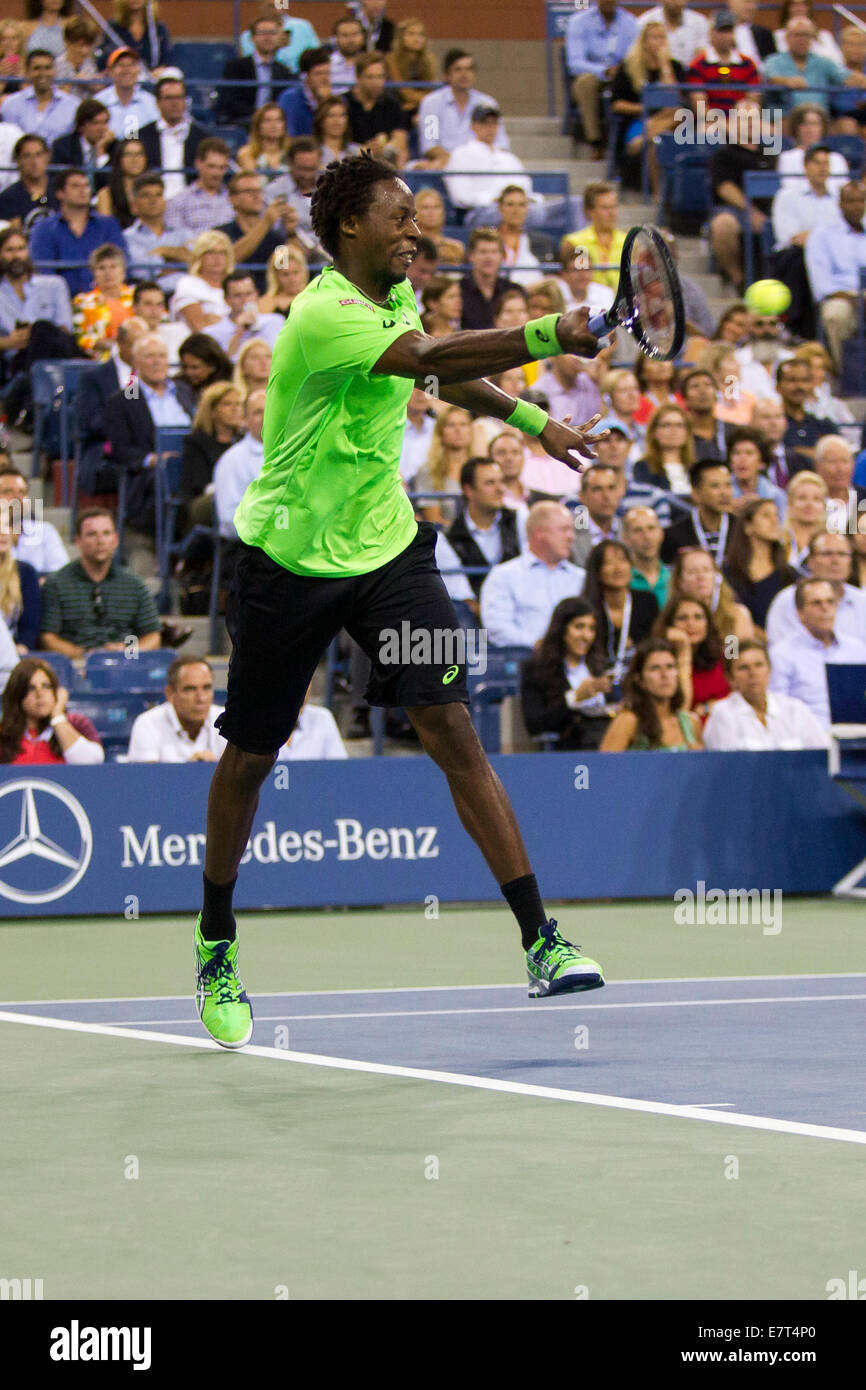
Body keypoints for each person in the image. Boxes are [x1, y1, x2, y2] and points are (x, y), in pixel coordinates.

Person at [192, 152, 609, 1047]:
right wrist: (549, 335)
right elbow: (423, 355)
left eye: (419, 215)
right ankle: (217, 941)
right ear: (350, 226)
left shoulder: (397, 294)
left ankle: (541, 939)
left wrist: (540, 424)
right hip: (290, 563)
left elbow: (438, 375)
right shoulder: (323, 309)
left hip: (387, 553)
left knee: (452, 726)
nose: (415, 229)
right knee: (253, 758)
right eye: (399, 215)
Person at [103, 333, 194, 532]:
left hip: (193, 461)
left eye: (162, 356)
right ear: (136, 362)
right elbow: (120, 449)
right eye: (150, 356)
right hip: (152, 473)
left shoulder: (183, 390)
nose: (157, 362)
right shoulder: (123, 399)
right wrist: (153, 459)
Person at [40, 507, 161, 656]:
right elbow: (48, 638)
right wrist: (83, 654)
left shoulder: (135, 585)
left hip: (124, 664)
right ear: (78, 541)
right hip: (74, 664)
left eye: (106, 533)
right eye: (92, 534)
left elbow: (152, 636)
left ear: (115, 540)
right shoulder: (57, 584)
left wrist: (126, 651)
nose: (100, 541)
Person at [480, 502, 587, 649]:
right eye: (564, 530)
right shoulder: (503, 576)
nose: (571, 537)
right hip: (525, 664)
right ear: (539, 533)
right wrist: (539, 645)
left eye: (571, 530)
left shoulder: (581, 578)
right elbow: (497, 628)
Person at [769, 577, 866, 725]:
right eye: (816, 603)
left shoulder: (857, 650)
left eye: (830, 602)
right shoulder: (782, 654)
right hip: (808, 738)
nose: (825, 608)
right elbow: (777, 708)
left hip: (856, 735)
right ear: (800, 613)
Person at [521, 596, 614, 749]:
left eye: (591, 628)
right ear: (562, 629)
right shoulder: (535, 669)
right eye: (579, 627)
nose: (586, 636)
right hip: (569, 750)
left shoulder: (599, 667)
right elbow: (534, 724)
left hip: (607, 744)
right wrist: (575, 697)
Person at [703, 637, 828, 749]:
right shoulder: (723, 714)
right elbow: (725, 766)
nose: (753, 673)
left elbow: (825, 753)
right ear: (730, 677)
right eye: (743, 668)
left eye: (759, 665)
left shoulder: (795, 709)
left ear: (769, 670)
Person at [708, 94, 777, 292]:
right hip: (735, 210)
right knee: (722, 225)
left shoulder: (771, 153)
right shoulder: (723, 154)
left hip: (771, 208)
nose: (748, 124)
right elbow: (724, 187)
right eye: (743, 118)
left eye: (753, 119)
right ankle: (738, 280)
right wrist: (750, 210)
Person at [75, 313, 146, 495]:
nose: (141, 353)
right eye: (135, 346)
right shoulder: (94, 378)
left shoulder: (157, 377)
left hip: (148, 447)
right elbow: (92, 421)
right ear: (120, 344)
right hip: (109, 449)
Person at [28, 166, 126, 298]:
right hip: (58, 300)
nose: (83, 190)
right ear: (60, 193)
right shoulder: (44, 229)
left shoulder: (109, 225)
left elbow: (121, 263)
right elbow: (42, 271)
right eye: (75, 186)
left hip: (104, 299)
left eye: (86, 185)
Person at [805, 181, 866, 375]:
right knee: (835, 315)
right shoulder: (822, 235)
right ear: (840, 204)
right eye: (851, 201)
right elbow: (821, 286)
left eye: (861, 201)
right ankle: (847, 377)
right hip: (841, 298)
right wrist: (856, 300)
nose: (857, 206)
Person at [766, 529, 866, 646]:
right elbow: (782, 652)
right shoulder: (787, 601)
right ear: (810, 561)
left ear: (850, 561)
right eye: (827, 554)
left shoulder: (862, 601)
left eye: (842, 554)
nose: (835, 560)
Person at [566, 0, 638, 160]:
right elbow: (575, 63)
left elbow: (634, 56)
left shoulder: (630, 22)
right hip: (593, 73)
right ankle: (595, 141)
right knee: (584, 83)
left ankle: (625, 144)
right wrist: (604, 71)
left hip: (622, 75)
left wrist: (620, 71)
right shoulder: (578, 22)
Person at [600, 638, 703, 750]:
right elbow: (605, 765)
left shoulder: (691, 722)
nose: (665, 675)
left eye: (670, 667)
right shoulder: (628, 721)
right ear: (639, 680)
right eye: (655, 668)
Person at [583, 537, 660, 682]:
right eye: (609, 563)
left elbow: (655, 644)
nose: (618, 568)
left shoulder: (647, 600)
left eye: (623, 561)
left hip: (641, 680)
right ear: (597, 572)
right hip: (597, 680)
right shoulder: (586, 607)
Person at [0, 656, 103, 763]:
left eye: (46, 686)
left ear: (55, 691)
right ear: (17, 694)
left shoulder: (77, 723)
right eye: (31, 688)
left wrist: (57, 716)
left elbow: (92, 762)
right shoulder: (4, 734)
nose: (40, 694)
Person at [446, 457, 524, 597]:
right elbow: (462, 596)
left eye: (502, 481)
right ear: (468, 490)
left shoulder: (520, 519)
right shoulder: (448, 537)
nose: (500, 489)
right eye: (490, 483)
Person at [417, 48, 509, 165]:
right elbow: (430, 146)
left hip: (481, 164)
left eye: (469, 69)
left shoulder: (488, 103)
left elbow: (501, 144)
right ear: (446, 75)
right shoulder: (431, 103)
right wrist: (459, 162)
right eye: (458, 69)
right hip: (446, 164)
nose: (464, 74)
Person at [0, 224, 72, 372]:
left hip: (56, 356)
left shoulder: (54, 284)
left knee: (42, 328)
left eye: (21, 249)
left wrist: (32, 336)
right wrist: (9, 342)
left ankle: (27, 383)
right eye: (9, 250)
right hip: (16, 361)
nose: (16, 256)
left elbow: (65, 329)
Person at [723, 496, 800, 630]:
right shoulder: (727, 572)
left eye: (777, 516)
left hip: (780, 644)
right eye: (766, 516)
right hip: (737, 643)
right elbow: (725, 618)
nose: (774, 521)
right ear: (748, 527)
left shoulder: (789, 575)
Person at [127, 657, 224, 763]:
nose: (201, 698)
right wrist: (191, 769)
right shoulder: (147, 724)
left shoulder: (228, 721)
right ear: (170, 694)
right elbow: (144, 777)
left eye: (207, 688)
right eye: (190, 689)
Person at [765, 13, 863, 115]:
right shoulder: (773, 60)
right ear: (787, 37)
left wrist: (862, 81)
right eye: (797, 35)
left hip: (819, 118)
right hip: (784, 115)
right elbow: (772, 79)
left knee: (847, 125)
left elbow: (847, 77)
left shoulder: (823, 62)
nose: (802, 40)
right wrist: (787, 82)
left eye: (806, 35)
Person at [178, 380, 244, 528]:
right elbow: (199, 484)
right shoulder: (196, 443)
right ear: (212, 411)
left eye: (238, 404)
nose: (235, 409)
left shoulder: (245, 442)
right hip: (204, 501)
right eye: (227, 404)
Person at [655, 591, 730, 718]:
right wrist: (684, 652)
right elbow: (682, 711)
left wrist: (709, 707)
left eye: (698, 617)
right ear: (670, 625)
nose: (691, 624)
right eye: (682, 618)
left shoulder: (728, 648)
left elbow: (740, 695)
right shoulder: (660, 659)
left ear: (708, 622)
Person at [445, 107, 531, 214]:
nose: (490, 128)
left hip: (517, 208)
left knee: (556, 209)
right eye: (485, 123)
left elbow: (526, 187)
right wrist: (495, 199)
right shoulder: (460, 155)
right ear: (473, 126)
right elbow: (460, 197)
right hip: (479, 211)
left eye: (494, 123)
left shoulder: (509, 158)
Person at [216, 172, 290, 294]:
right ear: (232, 199)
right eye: (249, 191)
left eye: (259, 191)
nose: (256, 196)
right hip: (232, 297)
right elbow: (228, 260)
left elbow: (285, 269)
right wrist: (265, 223)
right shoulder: (220, 235)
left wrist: (291, 233)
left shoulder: (275, 237)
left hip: (268, 298)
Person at [138, 77, 209, 201]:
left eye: (179, 97)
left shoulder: (202, 138)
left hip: (192, 202)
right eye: (169, 98)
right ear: (158, 103)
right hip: (152, 201)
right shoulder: (141, 136)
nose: (174, 103)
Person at [217, 11, 294, 127]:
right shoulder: (235, 66)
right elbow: (230, 102)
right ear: (253, 38)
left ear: (279, 37)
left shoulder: (284, 71)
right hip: (244, 122)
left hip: (274, 124)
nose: (268, 37)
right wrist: (260, 117)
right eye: (263, 33)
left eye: (272, 33)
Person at [670, 544, 754, 643]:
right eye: (692, 572)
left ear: (717, 577)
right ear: (679, 581)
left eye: (706, 570)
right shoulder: (674, 618)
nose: (701, 577)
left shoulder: (734, 616)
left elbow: (733, 655)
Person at [122, 173, 191, 294]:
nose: (153, 200)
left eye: (158, 195)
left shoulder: (183, 233)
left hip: (186, 295)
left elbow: (197, 262)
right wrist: (179, 262)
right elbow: (142, 273)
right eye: (146, 195)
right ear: (134, 205)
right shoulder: (127, 238)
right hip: (148, 298)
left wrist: (163, 251)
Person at [686, 10, 760, 117]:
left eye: (729, 31)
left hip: (742, 121)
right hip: (711, 122)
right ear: (711, 33)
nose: (726, 36)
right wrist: (724, 125)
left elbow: (753, 101)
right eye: (721, 31)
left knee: (772, 131)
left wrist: (737, 123)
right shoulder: (698, 65)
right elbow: (701, 108)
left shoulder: (748, 64)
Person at [345, 51, 409, 167]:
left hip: (383, 163)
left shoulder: (391, 105)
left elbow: (400, 142)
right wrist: (364, 150)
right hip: (350, 163)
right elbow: (334, 143)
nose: (377, 83)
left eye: (380, 77)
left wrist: (384, 147)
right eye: (370, 77)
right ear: (358, 78)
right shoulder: (344, 103)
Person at [0, 466, 68, 574]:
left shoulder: (45, 531)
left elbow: (60, 574)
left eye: (22, 492)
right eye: (7, 491)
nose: (17, 497)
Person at [412, 404, 473, 522]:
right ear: (441, 432)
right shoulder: (429, 471)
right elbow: (434, 521)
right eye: (451, 425)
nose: (458, 430)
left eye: (463, 424)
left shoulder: (479, 467)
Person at [0, 49, 77, 143]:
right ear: (27, 72)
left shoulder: (73, 105)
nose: (42, 73)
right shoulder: (11, 105)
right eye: (37, 68)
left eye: (47, 68)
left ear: (54, 71)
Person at [72, 242, 133, 360]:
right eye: (101, 268)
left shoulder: (138, 296)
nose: (108, 273)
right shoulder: (82, 301)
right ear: (94, 273)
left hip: (138, 360)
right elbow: (80, 338)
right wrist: (112, 345)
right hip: (100, 361)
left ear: (123, 271)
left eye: (113, 266)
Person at [163, 138, 233, 239]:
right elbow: (176, 240)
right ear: (198, 163)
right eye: (211, 166)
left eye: (221, 168)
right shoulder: (178, 202)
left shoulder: (233, 199)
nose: (216, 173)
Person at [562, 181, 626, 290]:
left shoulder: (629, 241)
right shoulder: (574, 242)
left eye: (614, 207)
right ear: (590, 211)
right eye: (605, 208)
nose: (612, 213)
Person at [207, 270, 283, 361]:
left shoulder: (276, 321)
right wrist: (238, 333)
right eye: (237, 296)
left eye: (248, 294)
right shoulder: (213, 333)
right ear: (226, 299)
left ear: (256, 295)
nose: (245, 300)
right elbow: (224, 367)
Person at [776, 103, 850, 194]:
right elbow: (788, 188)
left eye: (815, 124)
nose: (809, 129)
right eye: (804, 124)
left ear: (822, 128)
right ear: (796, 127)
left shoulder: (837, 158)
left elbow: (843, 191)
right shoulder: (787, 158)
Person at [169, 230, 232, 334]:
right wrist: (229, 323)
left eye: (222, 253)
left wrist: (214, 319)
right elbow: (199, 326)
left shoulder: (234, 285)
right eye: (210, 252)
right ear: (199, 256)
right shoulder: (188, 284)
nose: (217, 258)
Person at [776, 355, 837, 460]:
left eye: (804, 380)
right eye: (792, 380)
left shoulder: (824, 425)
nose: (799, 386)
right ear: (778, 387)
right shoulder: (772, 425)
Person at [239, 3, 319, 77]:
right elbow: (253, 61)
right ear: (261, 4)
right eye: (271, 5)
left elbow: (316, 55)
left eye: (280, 4)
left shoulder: (303, 26)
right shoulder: (247, 35)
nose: (277, 9)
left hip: (300, 78)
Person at [94, 45, 157, 140]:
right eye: (121, 65)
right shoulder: (98, 102)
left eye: (131, 65)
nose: (126, 70)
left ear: (138, 70)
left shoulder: (152, 103)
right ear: (110, 71)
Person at [0, 504, 41, 651]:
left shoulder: (25, 572)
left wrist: (22, 647)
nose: (3, 532)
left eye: (7, 525)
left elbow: (29, 627)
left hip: (11, 656)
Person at [49, 96, 115, 183]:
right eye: (96, 123)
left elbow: (110, 183)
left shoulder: (115, 147)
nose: (102, 129)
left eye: (105, 122)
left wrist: (101, 152)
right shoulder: (63, 147)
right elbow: (57, 182)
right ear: (82, 126)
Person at [385, 16, 437, 123]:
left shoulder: (429, 59)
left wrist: (418, 103)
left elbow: (430, 89)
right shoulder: (391, 59)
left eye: (421, 34)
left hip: (419, 106)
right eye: (411, 34)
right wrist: (426, 100)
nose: (417, 38)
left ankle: (432, 139)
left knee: (432, 116)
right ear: (401, 37)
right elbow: (402, 90)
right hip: (397, 105)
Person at [727, 426, 787, 517]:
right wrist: (727, 510)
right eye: (736, 453)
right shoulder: (720, 495)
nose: (742, 459)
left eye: (749, 453)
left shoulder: (777, 496)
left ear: (761, 462)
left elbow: (782, 529)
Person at [0, 132, 55, 229]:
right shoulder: (9, 197)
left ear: (48, 156)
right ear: (17, 160)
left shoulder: (62, 190)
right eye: (27, 156)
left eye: (39, 154)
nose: (34, 162)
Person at [680, 368, 735, 462]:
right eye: (695, 386)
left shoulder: (732, 431)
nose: (702, 391)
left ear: (716, 396)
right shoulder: (680, 433)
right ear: (685, 399)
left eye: (708, 385)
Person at [93, 136, 147, 228]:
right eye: (128, 154)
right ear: (119, 159)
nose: (134, 159)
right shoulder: (106, 194)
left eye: (139, 154)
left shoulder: (154, 191)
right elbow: (105, 230)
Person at [278, 45, 332, 137]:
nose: (325, 79)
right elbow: (290, 135)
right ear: (305, 76)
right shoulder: (290, 99)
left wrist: (325, 103)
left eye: (327, 73)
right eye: (319, 74)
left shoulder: (335, 100)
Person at [637, 0, 710, 67]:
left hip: (690, 76)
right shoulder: (645, 21)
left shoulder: (700, 22)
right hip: (655, 74)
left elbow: (701, 56)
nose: (679, 3)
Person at [781, 468, 828, 567]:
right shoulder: (778, 540)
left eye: (816, 499)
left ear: (823, 505)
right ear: (790, 503)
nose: (809, 504)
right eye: (802, 498)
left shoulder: (831, 542)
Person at [175, 332, 233, 403]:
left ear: (212, 365)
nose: (188, 372)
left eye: (194, 367)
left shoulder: (231, 384)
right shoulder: (177, 386)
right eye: (184, 367)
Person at [237, 103, 292, 179]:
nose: (274, 125)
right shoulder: (247, 153)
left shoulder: (292, 153)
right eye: (267, 120)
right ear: (258, 126)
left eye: (278, 120)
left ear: (284, 125)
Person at [412, 187, 464, 265]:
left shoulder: (456, 248)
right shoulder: (408, 246)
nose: (431, 212)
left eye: (436, 207)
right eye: (425, 207)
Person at [258, 243, 309, 317]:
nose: (292, 279)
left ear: (303, 272)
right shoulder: (265, 302)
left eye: (296, 272)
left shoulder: (312, 298)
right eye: (286, 274)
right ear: (276, 276)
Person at [54, 15, 100, 89]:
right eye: (80, 45)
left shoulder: (92, 65)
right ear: (67, 42)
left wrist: (93, 86)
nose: (84, 51)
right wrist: (73, 82)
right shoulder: (56, 67)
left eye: (88, 45)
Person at [312, 96, 357, 165]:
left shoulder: (356, 152)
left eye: (342, 115)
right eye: (331, 116)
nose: (337, 122)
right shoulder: (311, 153)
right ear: (320, 120)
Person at [328, 15, 366, 96]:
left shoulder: (370, 65)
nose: (350, 40)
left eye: (355, 34)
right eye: (345, 35)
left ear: (363, 37)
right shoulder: (326, 65)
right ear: (336, 39)